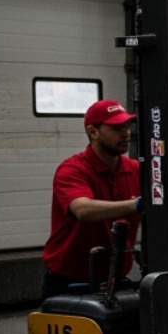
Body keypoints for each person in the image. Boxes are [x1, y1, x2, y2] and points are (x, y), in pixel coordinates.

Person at [42, 100, 143, 302]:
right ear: (93, 132)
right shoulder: (73, 169)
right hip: (69, 283)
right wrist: (136, 204)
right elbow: (82, 209)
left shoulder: (136, 171)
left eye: (127, 126)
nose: (126, 133)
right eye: (116, 128)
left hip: (115, 279)